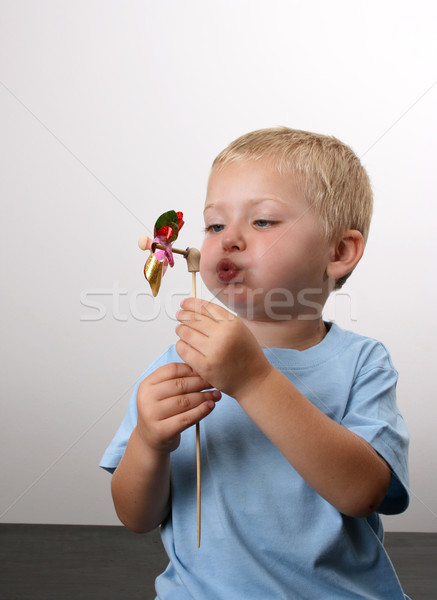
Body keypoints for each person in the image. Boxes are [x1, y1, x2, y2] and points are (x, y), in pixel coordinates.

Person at [100, 127, 410, 599]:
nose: (229, 241)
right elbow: (135, 517)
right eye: (215, 225)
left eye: (263, 222)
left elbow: (363, 493)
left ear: (338, 252)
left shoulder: (362, 363)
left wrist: (254, 379)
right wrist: (148, 441)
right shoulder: (180, 363)